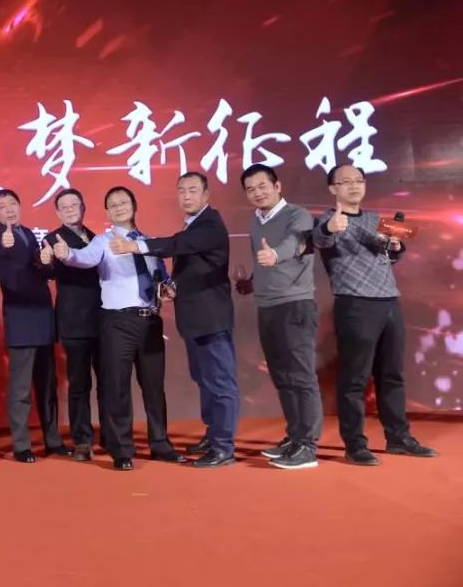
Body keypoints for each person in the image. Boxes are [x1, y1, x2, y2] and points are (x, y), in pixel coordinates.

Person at [312, 164, 436, 465]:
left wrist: (395, 246)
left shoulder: (373, 219)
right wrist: (329, 229)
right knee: (355, 378)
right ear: (333, 188)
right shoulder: (328, 219)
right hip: (355, 304)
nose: (354, 186)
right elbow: (319, 239)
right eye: (346, 182)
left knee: (392, 374)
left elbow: (388, 256)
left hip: (389, 300)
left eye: (359, 180)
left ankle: (398, 438)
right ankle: (355, 444)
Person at [115, 171, 239, 468]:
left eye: (193, 190)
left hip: (211, 318)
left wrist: (136, 246)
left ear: (206, 195)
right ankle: (214, 434)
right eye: (181, 190)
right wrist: (174, 287)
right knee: (204, 379)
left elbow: (176, 246)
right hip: (195, 319)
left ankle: (224, 447)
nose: (186, 196)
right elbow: (192, 265)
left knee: (220, 382)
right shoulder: (193, 224)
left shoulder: (210, 224)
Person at [55, 186, 182, 470]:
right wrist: (66, 254)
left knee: (154, 388)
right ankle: (122, 449)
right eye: (112, 204)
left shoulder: (148, 242)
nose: (119, 207)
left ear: (134, 206)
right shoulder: (102, 241)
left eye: (123, 202)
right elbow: (83, 258)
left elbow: (161, 277)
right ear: (107, 212)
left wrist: (167, 289)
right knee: (117, 387)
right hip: (117, 323)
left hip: (150, 320)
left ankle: (161, 445)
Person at [239, 163, 323, 470]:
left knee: (301, 376)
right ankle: (295, 436)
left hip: (295, 304)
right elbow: (262, 260)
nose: (257, 193)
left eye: (263, 186)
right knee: (282, 377)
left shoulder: (297, 215)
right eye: (251, 189)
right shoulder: (256, 220)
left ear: (277, 186)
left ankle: (308, 446)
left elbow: (295, 243)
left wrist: (275, 254)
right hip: (267, 306)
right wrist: (252, 282)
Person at [0, 188, 69, 462]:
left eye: (13, 203)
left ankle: (53, 440)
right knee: (21, 387)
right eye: (2, 206)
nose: (9, 209)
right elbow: (2, 246)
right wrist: (6, 242)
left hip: (42, 315)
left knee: (47, 384)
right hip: (20, 317)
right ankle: (21, 445)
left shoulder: (30, 234)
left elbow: (43, 271)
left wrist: (46, 262)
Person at [43, 188, 108, 461]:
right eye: (64, 206)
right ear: (58, 213)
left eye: (75, 204)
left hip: (103, 319)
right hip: (74, 321)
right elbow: (46, 268)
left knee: (107, 382)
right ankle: (82, 440)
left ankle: (111, 435)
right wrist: (47, 261)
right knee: (79, 384)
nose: (70, 209)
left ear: (83, 208)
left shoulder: (96, 238)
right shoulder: (52, 239)